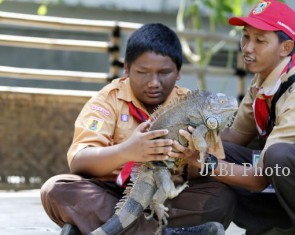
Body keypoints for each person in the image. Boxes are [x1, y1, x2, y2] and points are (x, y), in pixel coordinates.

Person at [171, 1, 295, 234]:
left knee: (278, 155)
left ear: (285, 48)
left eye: (260, 40)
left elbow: (259, 179)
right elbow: (235, 139)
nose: (247, 47)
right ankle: (254, 225)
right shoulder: (262, 82)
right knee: (220, 150)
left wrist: (205, 164)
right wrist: (188, 137)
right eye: (246, 37)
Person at [40, 23, 235, 235]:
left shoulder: (195, 105)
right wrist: (127, 151)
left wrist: (194, 158)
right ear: (126, 68)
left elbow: (208, 172)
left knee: (222, 197)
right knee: (56, 189)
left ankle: (101, 229)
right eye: (142, 72)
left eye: (164, 72)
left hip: (165, 197)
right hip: (112, 194)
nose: (153, 82)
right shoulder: (108, 99)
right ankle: (169, 233)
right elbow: (79, 162)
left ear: (178, 72)